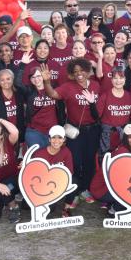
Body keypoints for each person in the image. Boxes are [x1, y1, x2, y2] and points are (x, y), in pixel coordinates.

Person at [40, 59, 103, 201]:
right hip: (75, 131)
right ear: (71, 74)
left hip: (92, 130)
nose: (79, 74)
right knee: (75, 160)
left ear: (88, 71)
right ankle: (75, 190)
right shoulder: (68, 87)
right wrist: (47, 82)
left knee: (89, 161)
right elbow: (53, 95)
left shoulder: (95, 85)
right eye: (75, 72)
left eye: (82, 71)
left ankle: (85, 189)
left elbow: (98, 110)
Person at [33, 125, 78, 216]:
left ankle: (66, 208)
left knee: (74, 181)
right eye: (53, 137)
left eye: (60, 138)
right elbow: (33, 174)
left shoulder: (66, 151)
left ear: (64, 139)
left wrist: (58, 182)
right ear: (49, 139)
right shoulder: (39, 153)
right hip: (44, 185)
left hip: (59, 182)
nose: (56, 141)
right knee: (50, 209)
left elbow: (69, 172)